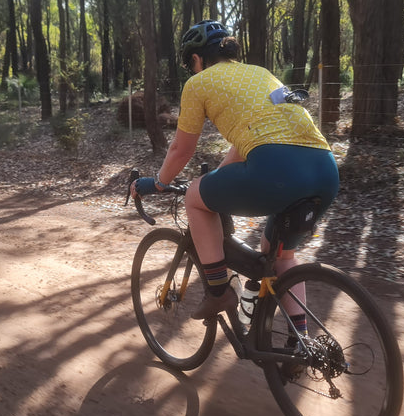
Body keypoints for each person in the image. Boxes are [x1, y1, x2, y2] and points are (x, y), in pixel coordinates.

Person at [132, 20, 339, 323]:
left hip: (276, 169)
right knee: (279, 255)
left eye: (190, 64)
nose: (192, 69)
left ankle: (219, 292)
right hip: (325, 169)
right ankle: (300, 344)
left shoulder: (197, 83)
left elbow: (180, 149)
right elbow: (250, 141)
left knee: (193, 197)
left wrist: (160, 184)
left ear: (196, 59)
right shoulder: (261, 74)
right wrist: (216, 180)